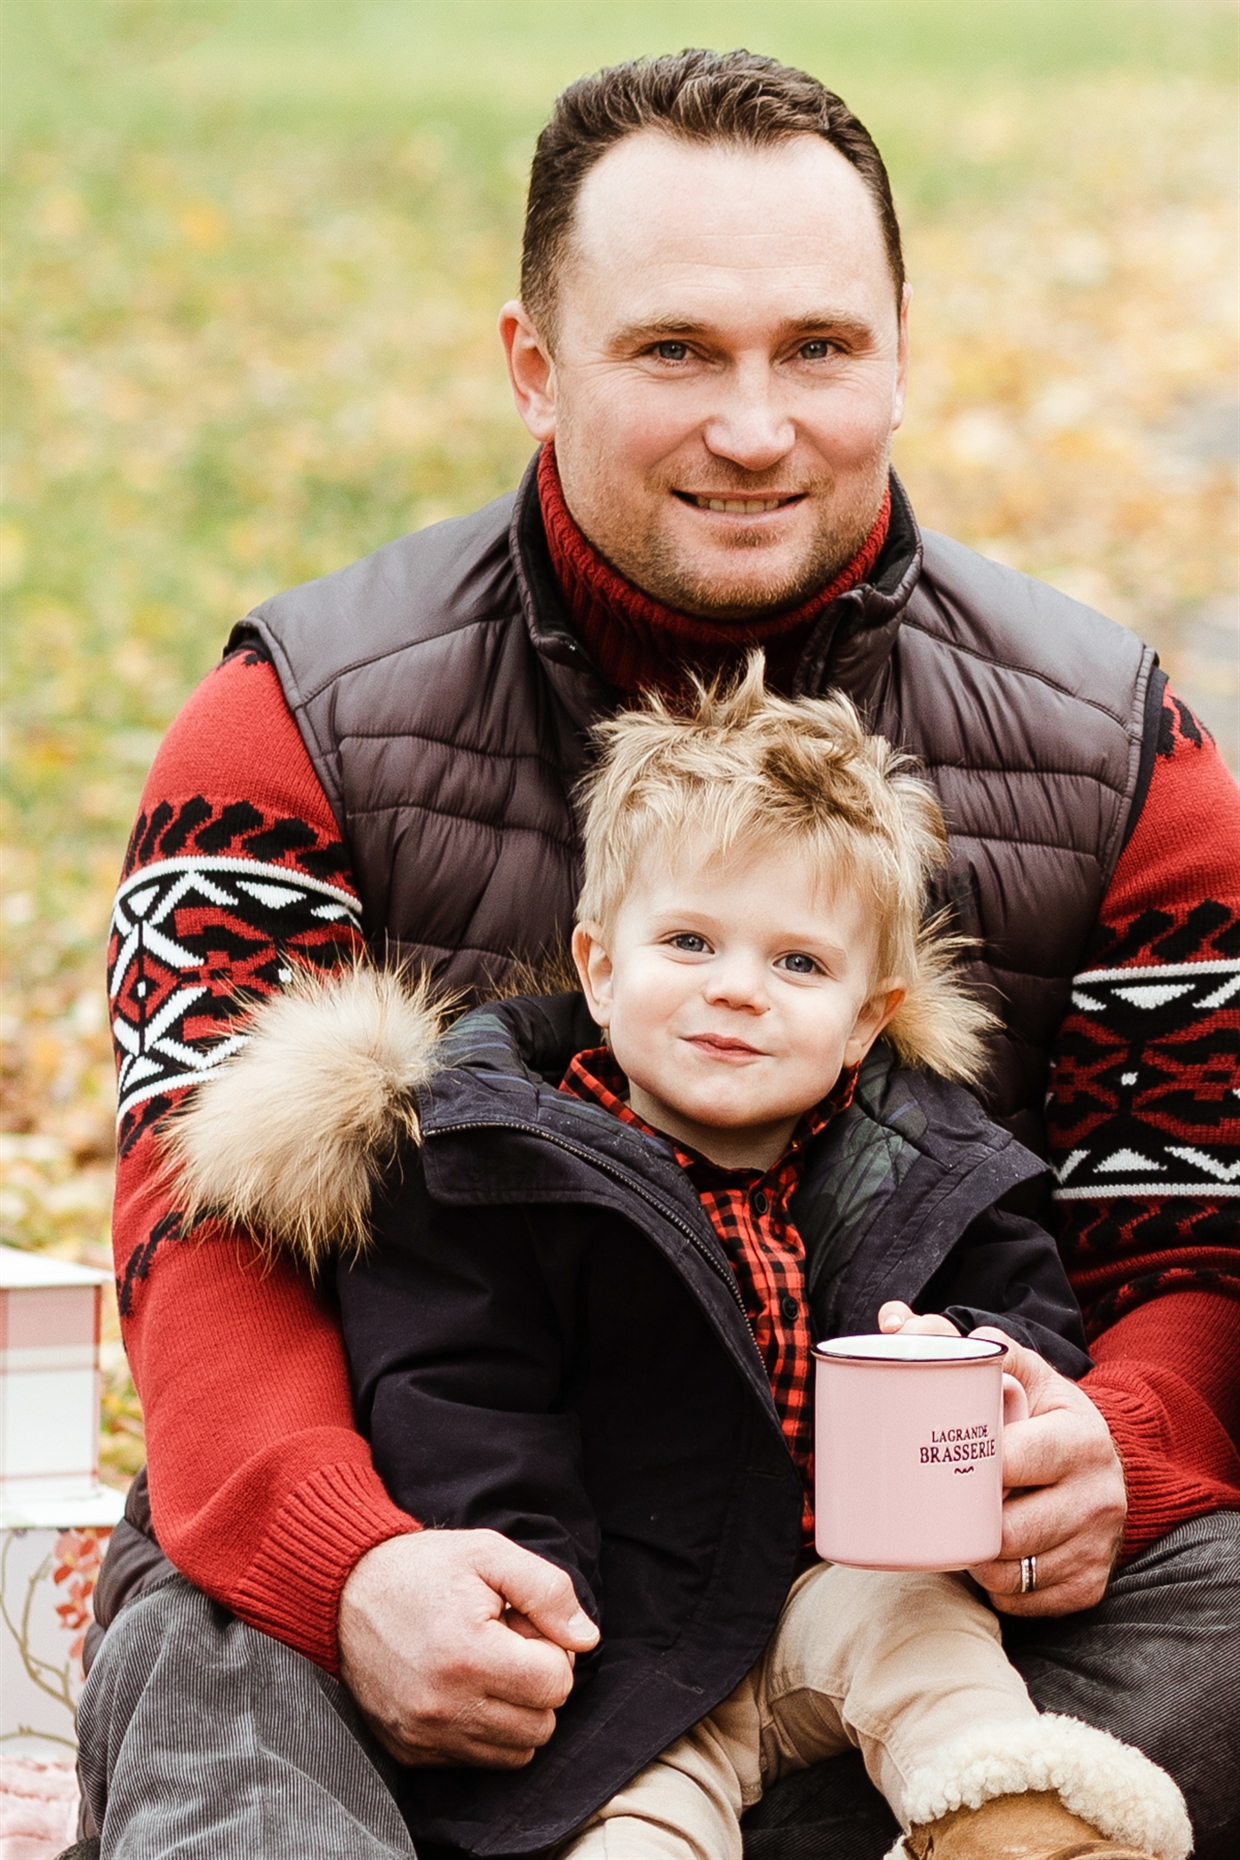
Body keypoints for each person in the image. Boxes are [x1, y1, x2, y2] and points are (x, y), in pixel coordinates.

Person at [80, 46, 1239, 1860]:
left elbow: (1193, 1236)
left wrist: (1125, 1445)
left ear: (904, 356)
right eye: (676, 351)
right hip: (467, 1566)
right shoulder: (288, 724)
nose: (756, 428)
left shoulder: (1121, 758)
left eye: (819, 349)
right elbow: (200, 1240)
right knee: (217, 1637)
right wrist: (350, 1562)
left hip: (917, 1607)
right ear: (535, 366)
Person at [160, 664, 1192, 1860]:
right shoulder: (497, 1174)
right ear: (599, 969)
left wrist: (988, 1378)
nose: (737, 990)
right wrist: (530, 1597)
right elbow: (456, 1396)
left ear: (868, 1016)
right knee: (633, 1811)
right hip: (625, 1637)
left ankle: (1001, 1818)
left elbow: (1028, 1326)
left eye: (799, 964)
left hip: (839, 1590)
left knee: (932, 1650)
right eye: (690, 941)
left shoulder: (930, 1162)